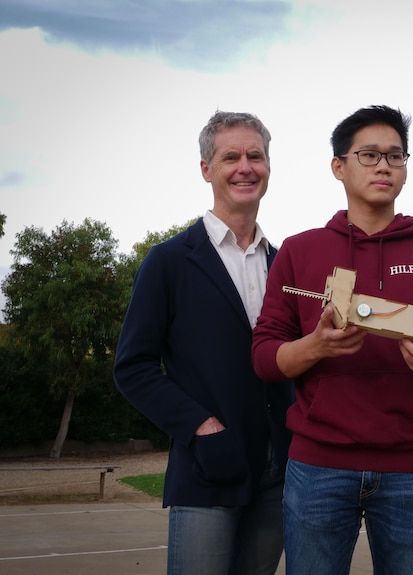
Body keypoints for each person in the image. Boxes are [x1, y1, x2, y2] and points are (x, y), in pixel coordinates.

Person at [251, 105, 413, 575]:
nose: (383, 166)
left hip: (412, 469)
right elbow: (264, 357)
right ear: (338, 166)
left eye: (395, 157)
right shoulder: (299, 250)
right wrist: (316, 345)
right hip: (317, 467)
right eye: (369, 155)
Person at [114, 111, 293, 575]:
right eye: (230, 156)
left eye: (256, 156)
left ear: (269, 166)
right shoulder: (169, 261)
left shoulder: (286, 265)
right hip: (207, 469)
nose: (245, 166)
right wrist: (201, 427)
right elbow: (132, 367)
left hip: (279, 474)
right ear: (205, 169)